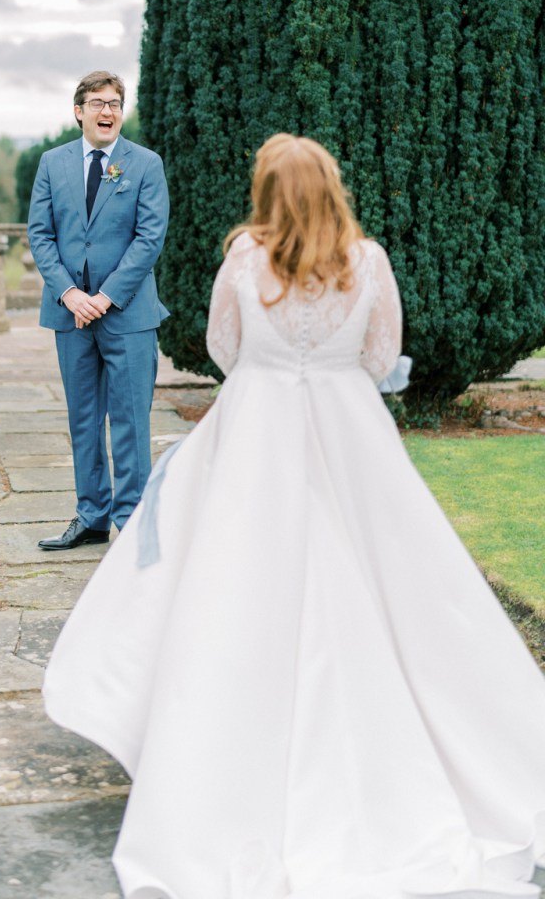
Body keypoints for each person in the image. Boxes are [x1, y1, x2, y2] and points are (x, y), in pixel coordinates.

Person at [43, 133, 545, 899]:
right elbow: (383, 360)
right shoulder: (366, 260)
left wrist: (279, 366)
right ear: (332, 186)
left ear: (269, 190)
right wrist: (329, 364)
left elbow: (222, 348)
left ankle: (209, 752)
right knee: (395, 576)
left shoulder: (246, 256)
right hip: (350, 428)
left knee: (233, 576)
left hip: (258, 426)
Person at [28, 70, 170, 551]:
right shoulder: (52, 163)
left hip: (127, 313)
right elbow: (40, 235)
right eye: (97, 102)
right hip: (70, 314)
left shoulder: (145, 164)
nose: (107, 111)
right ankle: (91, 516)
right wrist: (70, 294)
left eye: (115, 103)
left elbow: (149, 239)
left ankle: (132, 521)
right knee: (83, 418)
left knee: (131, 418)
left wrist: (105, 298)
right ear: (79, 111)